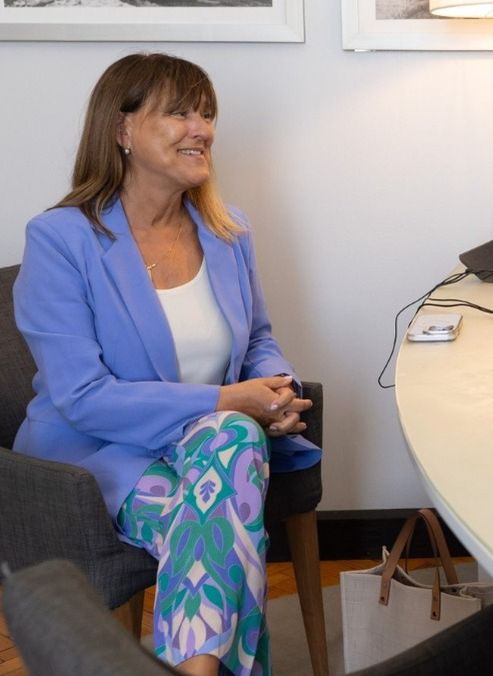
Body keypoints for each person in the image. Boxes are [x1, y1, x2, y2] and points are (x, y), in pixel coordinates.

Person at [12, 53, 321, 676]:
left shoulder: (228, 230)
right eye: (178, 112)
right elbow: (83, 396)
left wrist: (276, 389)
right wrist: (231, 402)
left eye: (206, 113)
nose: (201, 128)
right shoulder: (61, 239)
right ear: (122, 130)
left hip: (210, 445)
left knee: (226, 454)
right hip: (95, 455)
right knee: (223, 503)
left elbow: (257, 338)